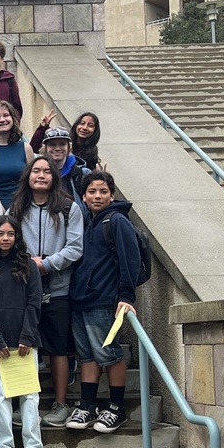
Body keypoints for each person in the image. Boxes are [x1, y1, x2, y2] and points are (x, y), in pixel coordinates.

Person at [8, 156, 85, 427]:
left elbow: (75, 247)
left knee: (58, 348)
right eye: (35, 170)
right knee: (24, 346)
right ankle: (23, 404)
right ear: (28, 176)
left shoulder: (68, 208)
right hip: (24, 290)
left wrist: (46, 264)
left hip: (59, 289)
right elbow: (7, 241)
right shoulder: (16, 208)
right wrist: (28, 264)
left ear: (54, 177)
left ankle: (61, 404)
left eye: (46, 171)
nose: (41, 175)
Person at [66, 170, 140, 434]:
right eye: (92, 192)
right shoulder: (88, 222)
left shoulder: (117, 221)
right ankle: (88, 405)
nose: (97, 196)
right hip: (81, 299)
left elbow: (129, 260)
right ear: (84, 197)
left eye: (103, 191)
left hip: (104, 300)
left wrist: (126, 296)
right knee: (87, 355)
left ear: (112, 194)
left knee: (108, 354)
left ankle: (116, 407)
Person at [0, 215, 45, 448]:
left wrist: (27, 337)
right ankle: (4, 444)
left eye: (10, 234)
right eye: (0, 234)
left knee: (29, 395)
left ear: (17, 236)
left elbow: (34, 303)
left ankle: (33, 444)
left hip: (24, 342)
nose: (5, 238)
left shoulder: (29, 266)